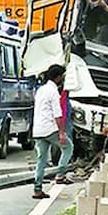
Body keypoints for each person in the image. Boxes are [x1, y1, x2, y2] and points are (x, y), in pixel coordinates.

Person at [32, 64, 75, 198]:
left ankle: (37, 189)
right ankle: (60, 174)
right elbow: (58, 114)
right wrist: (61, 133)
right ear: (58, 78)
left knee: (42, 159)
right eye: (62, 77)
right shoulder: (53, 92)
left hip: (38, 129)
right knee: (68, 147)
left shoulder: (41, 90)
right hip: (50, 129)